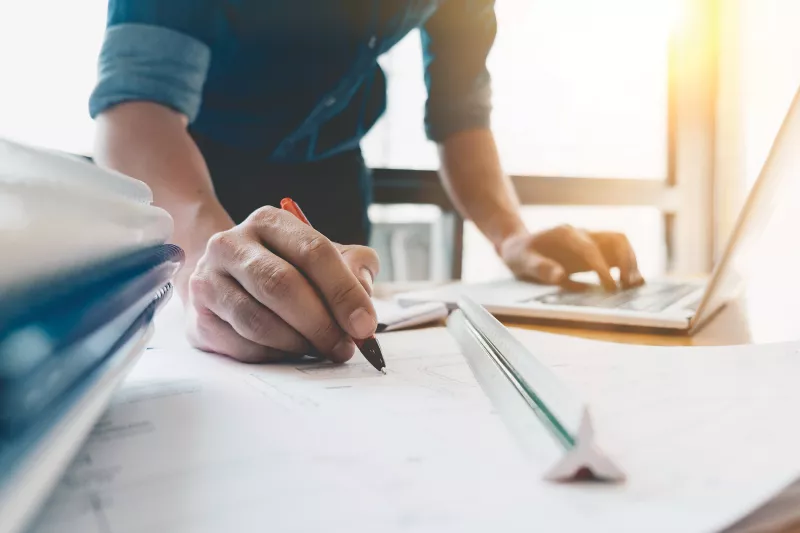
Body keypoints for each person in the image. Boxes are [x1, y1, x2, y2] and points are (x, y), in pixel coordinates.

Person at [90, 1, 644, 364]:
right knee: (222, 352)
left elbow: (462, 119)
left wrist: (510, 234)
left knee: (334, 356)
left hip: (330, 177)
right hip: (189, 176)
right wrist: (200, 264)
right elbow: (137, 110)